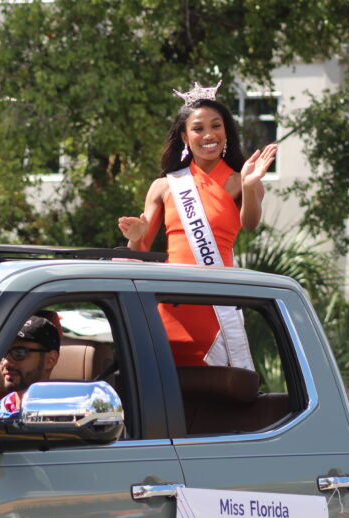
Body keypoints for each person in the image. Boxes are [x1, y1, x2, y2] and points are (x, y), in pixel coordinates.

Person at [117, 81, 277, 368]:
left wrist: (251, 186)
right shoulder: (165, 186)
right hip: (171, 303)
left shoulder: (241, 180)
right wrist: (136, 235)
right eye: (198, 128)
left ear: (226, 131)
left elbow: (250, 224)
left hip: (217, 303)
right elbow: (136, 255)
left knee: (217, 386)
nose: (208, 135)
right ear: (185, 135)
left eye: (216, 126)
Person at [0, 315, 61, 418]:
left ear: (50, 360)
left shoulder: (67, 414)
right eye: (1, 352)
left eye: (19, 353)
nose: (5, 363)